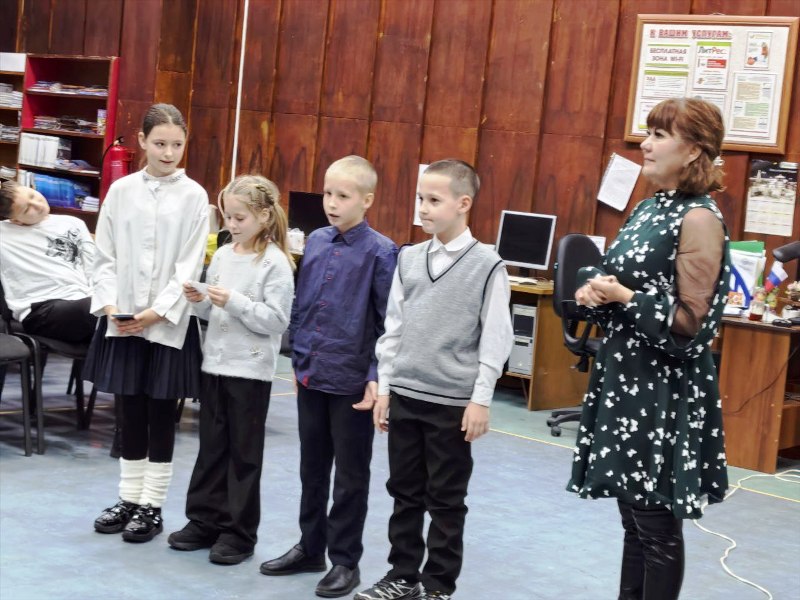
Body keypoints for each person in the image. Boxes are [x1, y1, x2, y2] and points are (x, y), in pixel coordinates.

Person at [568, 97, 730, 600]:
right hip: (625, 377)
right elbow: (620, 277)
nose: (646, 144)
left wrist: (623, 296)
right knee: (634, 520)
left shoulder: (699, 218)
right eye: (648, 133)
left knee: (655, 524)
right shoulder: (649, 207)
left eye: (660, 135)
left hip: (661, 389)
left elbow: (690, 323)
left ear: (694, 150)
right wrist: (594, 290)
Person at [356, 159, 513, 600]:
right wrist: (386, 389)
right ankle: (402, 575)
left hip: (452, 404)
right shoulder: (408, 258)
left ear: (463, 204)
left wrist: (480, 400)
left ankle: (438, 586)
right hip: (406, 395)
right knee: (404, 492)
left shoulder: (488, 265)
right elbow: (393, 329)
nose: (423, 208)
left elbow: (496, 339)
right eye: (420, 199)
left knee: (445, 498)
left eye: (433, 200)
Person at [259, 156, 397, 598]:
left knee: (351, 476)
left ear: (367, 200)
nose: (332, 203)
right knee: (312, 468)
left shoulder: (381, 252)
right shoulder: (316, 241)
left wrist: (376, 376)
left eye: (343, 196)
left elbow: (388, 324)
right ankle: (310, 547)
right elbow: (303, 305)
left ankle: (345, 561)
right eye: (327, 194)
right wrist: (298, 358)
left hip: (353, 382)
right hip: (311, 375)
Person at [86, 103, 210, 543]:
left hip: (167, 323)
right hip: (122, 319)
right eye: (160, 143)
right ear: (141, 140)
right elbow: (104, 256)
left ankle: (152, 506)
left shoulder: (195, 196)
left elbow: (189, 264)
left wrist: (156, 312)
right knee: (129, 410)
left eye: (177, 144)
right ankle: (128, 498)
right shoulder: (121, 191)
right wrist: (111, 307)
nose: (168, 153)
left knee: (161, 412)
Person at [167, 175, 295, 565]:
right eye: (228, 217)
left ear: (264, 216)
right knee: (211, 448)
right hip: (216, 365)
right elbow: (213, 312)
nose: (232, 225)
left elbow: (277, 321)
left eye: (240, 218)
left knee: (243, 454)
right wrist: (199, 300)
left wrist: (235, 302)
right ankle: (204, 520)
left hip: (250, 372)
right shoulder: (223, 255)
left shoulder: (275, 263)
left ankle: (239, 533)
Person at [0, 181, 96, 343]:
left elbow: (93, 266)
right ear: (16, 220)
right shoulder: (3, 233)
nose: (37, 205)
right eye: (27, 209)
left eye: (32, 196)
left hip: (83, 299)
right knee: (97, 310)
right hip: (41, 309)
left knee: (116, 305)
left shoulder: (73, 223)